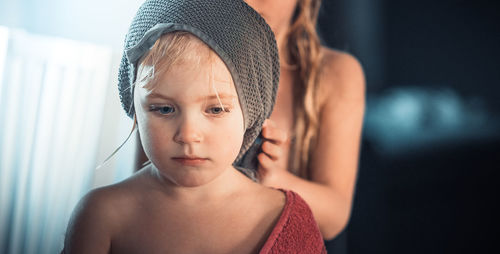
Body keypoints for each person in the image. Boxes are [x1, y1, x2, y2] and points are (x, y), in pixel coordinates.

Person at [62, 0, 326, 253]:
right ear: (135, 110)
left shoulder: (284, 219)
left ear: (253, 111)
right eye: (163, 109)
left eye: (215, 109)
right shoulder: (100, 217)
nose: (188, 135)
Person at [133, 0, 366, 241]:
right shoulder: (174, 57)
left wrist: (273, 179)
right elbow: (146, 186)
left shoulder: (335, 74)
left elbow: (334, 217)